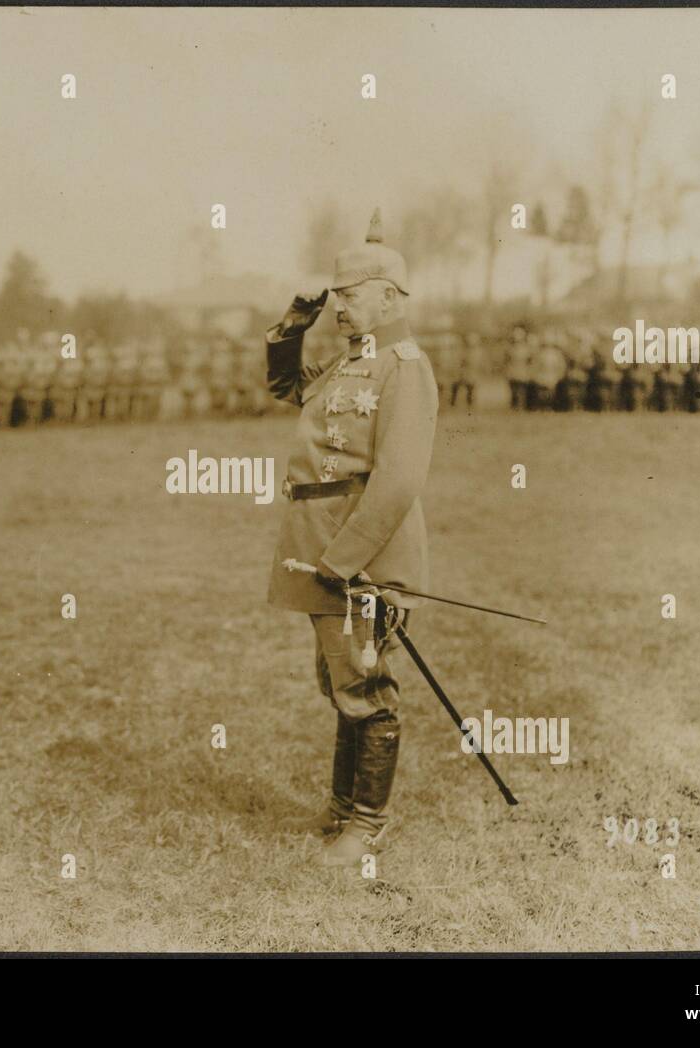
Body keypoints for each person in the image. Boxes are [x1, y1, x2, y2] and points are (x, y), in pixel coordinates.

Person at [265, 210, 439, 868]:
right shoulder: (348, 365)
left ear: (390, 297)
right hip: (321, 547)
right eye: (336, 294)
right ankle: (343, 812)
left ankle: (367, 825)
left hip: (360, 558)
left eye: (352, 293)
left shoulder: (404, 367)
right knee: (340, 679)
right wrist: (293, 323)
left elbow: (397, 480)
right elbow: (285, 385)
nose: (340, 304)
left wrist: (344, 562)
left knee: (365, 686)